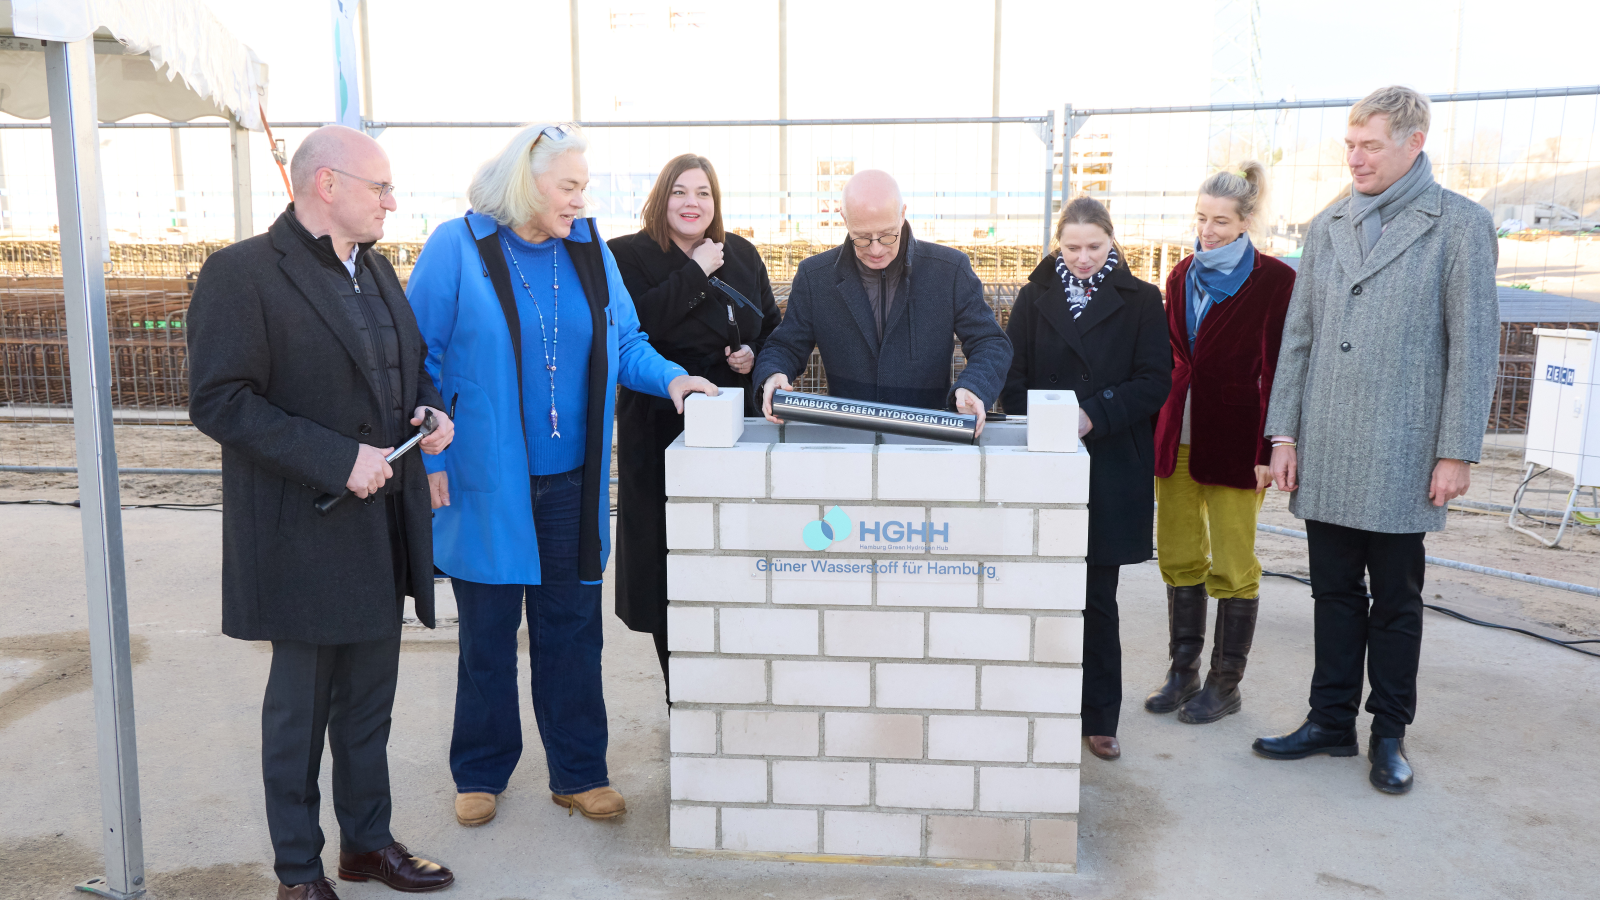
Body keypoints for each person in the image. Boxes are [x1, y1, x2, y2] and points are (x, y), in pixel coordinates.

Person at [405, 123, 718, 829]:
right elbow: (416, 358)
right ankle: (480, 770)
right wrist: (435, 456)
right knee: (487, 631)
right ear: (526, 183)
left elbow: (627, 341)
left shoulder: (588, 251)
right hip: (488, 480)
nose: (583, 197)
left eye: (584, 184)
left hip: (572, 483)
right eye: (569, 185)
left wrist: (675, 381)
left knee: (573, 630)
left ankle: (579, 772)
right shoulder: (457, 248)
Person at [188, 125, 456, 900]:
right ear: (327, 186)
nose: (392, 202)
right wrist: (338, 457)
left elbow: (404, 371)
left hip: (379, 528)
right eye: (381, 188)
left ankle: (366, 845)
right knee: (300, 715)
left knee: (369, 704)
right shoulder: (242, 273)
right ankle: (299, 873)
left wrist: (428, 411)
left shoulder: (375, 270)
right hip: (302, 530)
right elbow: (220, 401)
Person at [1254, 86, 1499, 794]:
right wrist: (1284, 434)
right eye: (1349, 146)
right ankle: (1330, 721)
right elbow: (1298, 339)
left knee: (1394, 598)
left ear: (1414, 143)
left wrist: (1457, 449)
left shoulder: (1458, 225)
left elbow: (1474, 346)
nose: (1354, 159)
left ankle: (1388, 732)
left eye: (1370, 146)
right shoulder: (1328, 223)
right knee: (1332, 592)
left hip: (1404, 449)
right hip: (1326, 443)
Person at [1001, 196, 1171, 762]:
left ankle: (1100, 715)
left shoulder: (1144, 299)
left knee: (1098, 596)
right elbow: (1014, 375)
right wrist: (1047, 417)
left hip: (1109, 463)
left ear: (1111, 241)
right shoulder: (1032, 297)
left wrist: (1092, 413)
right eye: (1071, 247)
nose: (1081, 258)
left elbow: (1155, 381)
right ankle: (1038, 702)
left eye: (1093, 247)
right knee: (1039, 589)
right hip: (1046, 463)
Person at [609, 154, 781, 690]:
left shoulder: (743, 254)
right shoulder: (625, 256)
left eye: (703, 193)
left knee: (733, 549)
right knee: (670, 559)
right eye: (680, 192)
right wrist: (696, 272)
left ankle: (735, 682)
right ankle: (679, 694)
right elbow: (636, 326)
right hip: (660, 423)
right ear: (662, 199)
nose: (692, 203)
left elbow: (772, 324)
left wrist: (753, 352)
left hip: (732, 422)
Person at [1145, 161, 1296, 726]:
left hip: (1238, 441)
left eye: (1221, 221)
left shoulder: (1277, 280)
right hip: (1177, 432)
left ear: (1246, 221)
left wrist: (1271, 447)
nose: (1208, 231)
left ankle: (1224, 683)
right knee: (1180, 554)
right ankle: (1182, 672)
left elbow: (1280, 365)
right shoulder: (1181, 274)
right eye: (1202, 218)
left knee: (1234, 563)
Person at [752, 169, 1011, 426]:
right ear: (844, 219)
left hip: (928, 433)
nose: (876, 249)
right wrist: (773, 374)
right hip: (850, 434)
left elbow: (990, 342)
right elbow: (785, 346)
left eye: (887, 235)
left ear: (902, 214)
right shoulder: (815, 277)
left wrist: (973, 387)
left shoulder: (950, 270)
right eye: (862, 237)